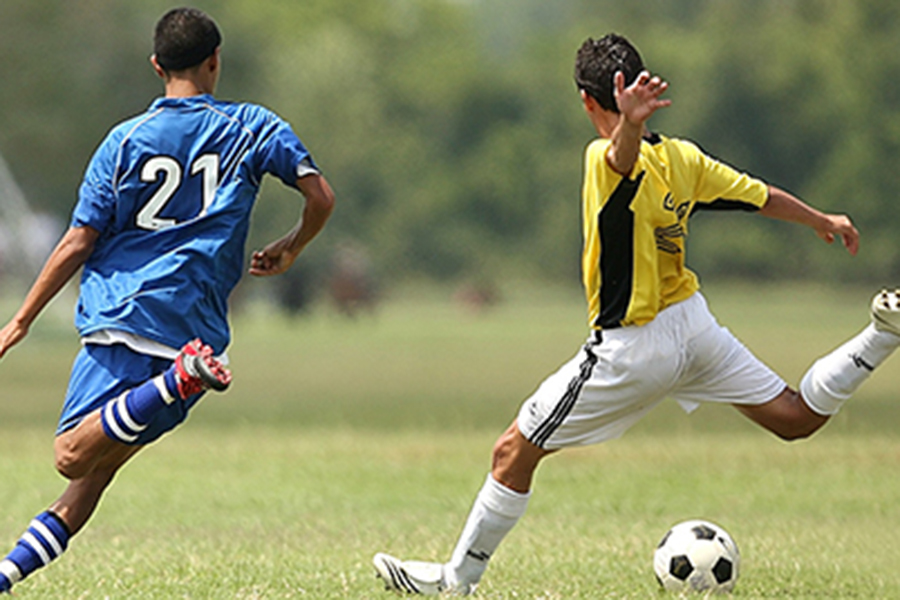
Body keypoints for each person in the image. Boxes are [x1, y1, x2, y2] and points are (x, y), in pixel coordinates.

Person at [372, 33, 900, 595]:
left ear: (585, 100)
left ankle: (457, 580)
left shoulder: (601, 157)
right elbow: (758, 195)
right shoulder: (683, 157)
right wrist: (821, 219)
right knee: (796, 418)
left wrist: (624, 126)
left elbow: (621, 159)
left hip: (632, 347)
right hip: (694, 327)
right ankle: (882, 335)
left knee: (512, 451)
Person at [0, 7, 334, 594]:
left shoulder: (124, 140)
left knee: (71, 456)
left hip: (126, 317)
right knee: (92, 480)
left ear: (157, 66)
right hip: (197, 327)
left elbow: (80, 239)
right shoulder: (252, 126)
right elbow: (320, 196)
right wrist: (292, 246)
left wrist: (21, 319)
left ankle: (175, 380)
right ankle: (3, 578)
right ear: (215, 61)